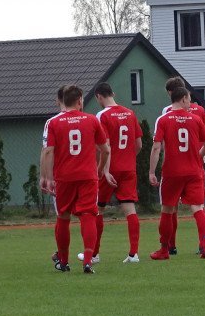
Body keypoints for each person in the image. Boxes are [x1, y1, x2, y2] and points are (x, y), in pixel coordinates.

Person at [40, 84, 113, 274]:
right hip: (88, 176)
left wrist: (47, 177)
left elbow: (48, 151)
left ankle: (64, 262)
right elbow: (105, 149)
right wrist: (99, 169)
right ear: (80, 100)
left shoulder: (54, 123)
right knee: (88, 216)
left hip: (64, 177)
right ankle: (87, 261)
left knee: (63, 218)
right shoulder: (91, 120)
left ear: (63, 101)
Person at [77, 82, 143, 264]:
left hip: (108, 168)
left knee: (97, 210)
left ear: (98, 97)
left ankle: (95, 254)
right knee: (130, 210)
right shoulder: (130, 113)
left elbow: (102, 145)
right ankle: (133, 254)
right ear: (112, 93)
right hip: (128, 168)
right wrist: (128, 158)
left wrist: (102, 169)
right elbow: (139, 145)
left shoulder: (102, 115)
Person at [149, 86, 205, 260]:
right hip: (194, 171)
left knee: (167, 210)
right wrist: (196, 156)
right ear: (184, 99)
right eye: (189, 99)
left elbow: (156, 147)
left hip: (172, 172)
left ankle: (164, 249)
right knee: (198, 208)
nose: (190, 102)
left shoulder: (163, 120)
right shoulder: (196, 119)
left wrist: (152, 172)